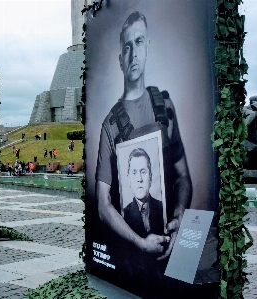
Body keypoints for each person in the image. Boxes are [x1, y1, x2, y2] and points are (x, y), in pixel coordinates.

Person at [94, 11, 192, 290]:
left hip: (172, 252)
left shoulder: (165, 107)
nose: (133, 52)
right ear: (120, 59)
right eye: (126, 46)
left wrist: (180, 215)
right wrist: (139, 243)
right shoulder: (109, 126)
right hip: (130, 261)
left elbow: (183, 176)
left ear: (147, 46)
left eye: (138, 42)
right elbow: (103, 205)